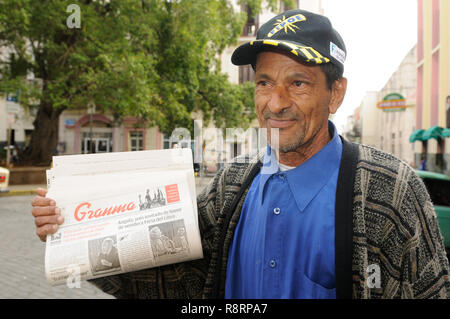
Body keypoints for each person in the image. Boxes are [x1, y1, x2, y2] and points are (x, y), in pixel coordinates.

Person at [31, 9, 449, 299]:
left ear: (335, 93)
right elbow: (175, 275)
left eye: (298, 83)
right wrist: (72, 227)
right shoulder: (233, 183)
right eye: (264, 82)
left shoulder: (388, 190)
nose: (275, 102)